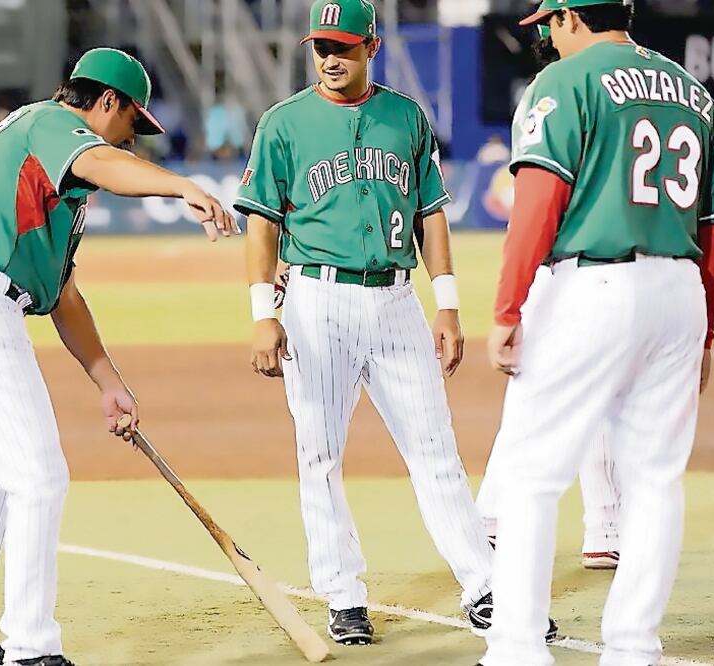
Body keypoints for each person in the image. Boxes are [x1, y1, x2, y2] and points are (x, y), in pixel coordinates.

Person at [237, 0, 557, 647]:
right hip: (316, 300)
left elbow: (429, 214)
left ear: (371, 48)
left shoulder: (406, 117)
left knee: (435, 450)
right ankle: (343, 595)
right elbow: (262, 223)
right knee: (319, 455)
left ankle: (484, 587)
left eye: (343, 46)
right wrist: (262, 314)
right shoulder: (282, 123)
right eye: (322, 46)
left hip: (395, 300)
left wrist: (446, 302)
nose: (331, 58)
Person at [0, 47, 237, 666]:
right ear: (106, 101)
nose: (131, 139)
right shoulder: (50, 122)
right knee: (39, 478)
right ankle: (32, 649)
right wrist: (181, 185)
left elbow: (65, 296)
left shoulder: (56, 181)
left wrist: (109, 382)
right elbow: (103, 161)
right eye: (131, 121)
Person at [476, 0, 714, 664]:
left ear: (569, 17)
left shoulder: (565, 81)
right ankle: (633, 648)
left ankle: (515, 649)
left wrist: (507, 309)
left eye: (548, 22)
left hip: (592, 286)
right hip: (678, 291)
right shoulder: (691, 91)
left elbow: (537, 203)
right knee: (654, 480)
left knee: (530, 475)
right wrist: (704, 332)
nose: (546, 35)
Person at [476, 23, 623, 572]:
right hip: (604, 268)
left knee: (540, 400)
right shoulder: (629, 90)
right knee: (594, 397)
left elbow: (536, 205)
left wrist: (509, 304)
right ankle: (602, 525)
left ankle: (496, 522)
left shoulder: (556, 91)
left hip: (563, 267)